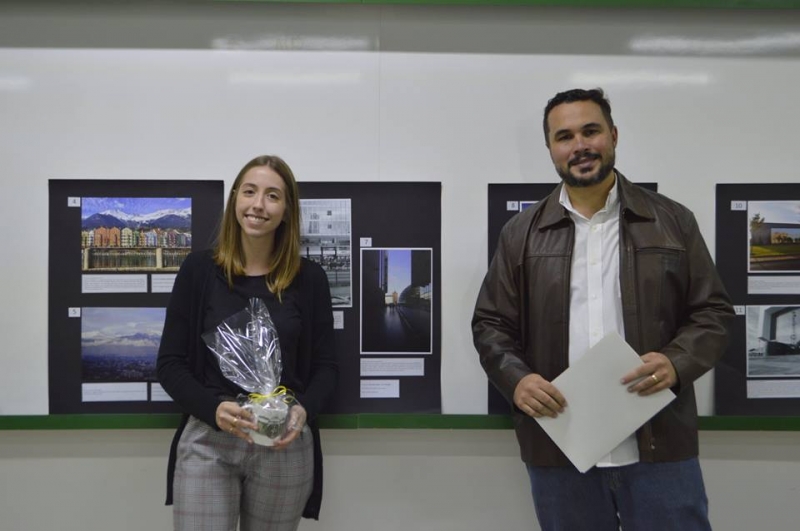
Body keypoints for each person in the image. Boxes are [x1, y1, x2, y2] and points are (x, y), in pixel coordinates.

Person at [472, 88, 734, 530]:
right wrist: (517, 381)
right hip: (561, 448)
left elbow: (713, 312)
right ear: (550, 148)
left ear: (613, 135)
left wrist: (677, 362)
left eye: (590, 131)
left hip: (659, 445)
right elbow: (491, 323)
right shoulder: (520, 234)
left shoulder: (673, 221)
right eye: (565, 136)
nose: (580, 145)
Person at [157, 155, 338, 530]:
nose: (258, 205)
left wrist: (304, 410)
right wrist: (213, 408)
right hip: (210, 437)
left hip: (282, 439)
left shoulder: (310, 279)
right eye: (250, 192)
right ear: (235, 199)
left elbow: (327, 367)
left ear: (286, 210)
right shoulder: (198, 270)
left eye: (273, 196)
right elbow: (170, 364)